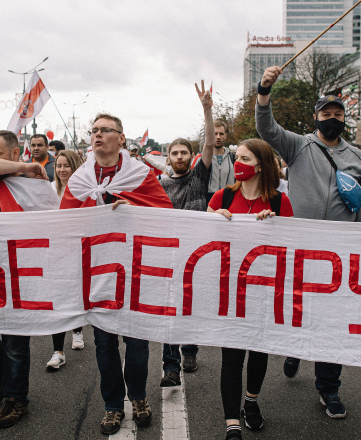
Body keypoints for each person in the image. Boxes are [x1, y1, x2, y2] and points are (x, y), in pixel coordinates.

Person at [255, 65, 361, 419]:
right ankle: (296, 348)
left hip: (339, 253)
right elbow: (266, 128)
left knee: (332, 320)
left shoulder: (357, 158)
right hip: (301, 248)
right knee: (299, 311)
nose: (332, 119)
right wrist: (264, 91)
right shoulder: (298, 146)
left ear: (345, 119)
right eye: (326, 114)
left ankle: (329, 388)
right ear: (315, 117)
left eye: (338, 114)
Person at [60, 112, 173, 435]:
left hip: (135, 273)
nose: (97, 135)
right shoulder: (80, 180)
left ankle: (138, 397)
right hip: (98, 275)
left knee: (137, 344)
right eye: (94, 130)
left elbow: (165, 213)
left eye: (105, 130)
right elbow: (63, 223)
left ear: (121, 138)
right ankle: (112, 405)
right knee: (104, 345)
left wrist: (133, 211)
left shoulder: (140, 175)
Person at [207, 138, 293, 440]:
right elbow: (200, 238)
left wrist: (276, 226)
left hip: (264, 291)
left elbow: (293, 246)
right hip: (230, 290)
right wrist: (212, 219)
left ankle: (251, 401)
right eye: (237, 158)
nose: (237, 164)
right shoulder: (223, 197)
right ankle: (232, 423)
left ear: (261, 165)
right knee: (231, 356)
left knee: (258, 351)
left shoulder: (280, 203)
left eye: (245, 159)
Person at [0, 130, 48, 429]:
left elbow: (47, 225)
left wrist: (10, 221)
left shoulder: (35, 187)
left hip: (20, 273)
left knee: (15, 342)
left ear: (14, 153)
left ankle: (16, 399)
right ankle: (4, 373)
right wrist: (25, 166)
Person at [157, 81, 216, 387]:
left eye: (184, 152)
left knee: (190, 307)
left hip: (196, 254)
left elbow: (210, 144)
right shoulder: (159, 186)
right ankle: (170, 367)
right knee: (169, 310)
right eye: (174, 153)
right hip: (169, 255)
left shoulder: (198, 178)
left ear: (191, 156)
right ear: (168, 158)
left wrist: (207, 110)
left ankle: (190, 350)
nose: (179, 156)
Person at [47, 149, 86, 370]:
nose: (62, 170)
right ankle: (58, 351)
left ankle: (78, 330)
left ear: (75, 167)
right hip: (56, 252)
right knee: (58, 299)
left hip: (79, 251)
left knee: (77, 295)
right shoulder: (49, 190)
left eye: (66, 165)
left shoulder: (84, 190)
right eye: (58, 166)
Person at [202, 120, 235, 200]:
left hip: (229, 199)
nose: (218, 137)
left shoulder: (233, 158)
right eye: (215, 133)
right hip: (208, 200)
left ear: (225, 136)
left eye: (221, 134)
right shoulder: (202, 159)